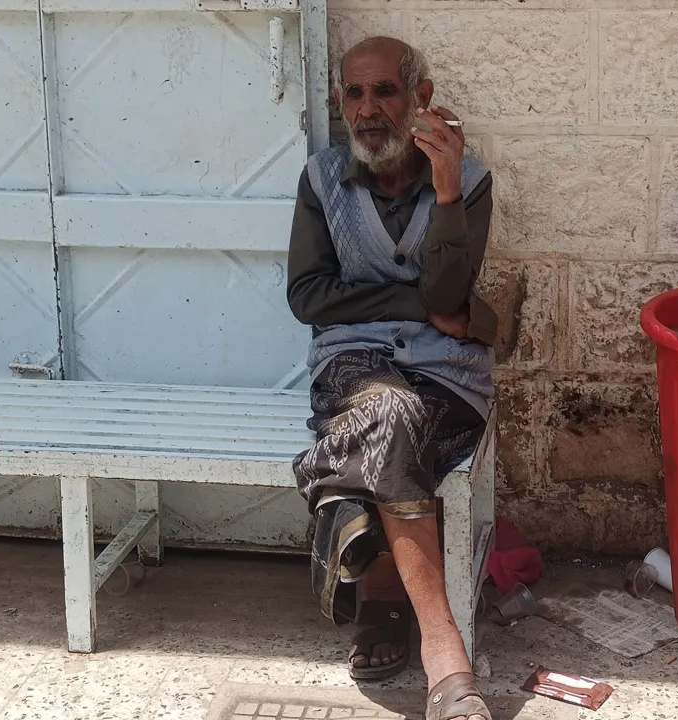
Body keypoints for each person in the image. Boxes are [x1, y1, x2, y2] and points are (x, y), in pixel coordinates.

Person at [287, 36, 496, 720]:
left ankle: (371, 574)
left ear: (420, 97)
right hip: (352, 367)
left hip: (448, 376)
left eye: (385, 91)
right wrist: (416, 305)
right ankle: (445, 655)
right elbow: (308, 297)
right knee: (389, 414)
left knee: (392, 422)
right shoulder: (322, 180)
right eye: (353, 93)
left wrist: (446, 190)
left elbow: (450, 289)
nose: (367, 109)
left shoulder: (471, 181)